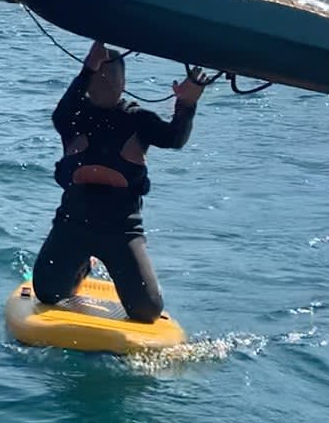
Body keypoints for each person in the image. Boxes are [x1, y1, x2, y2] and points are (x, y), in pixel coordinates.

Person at [31, 41, 211, 322]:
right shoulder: (73, 118)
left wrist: (186, 104)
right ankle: (81, 265)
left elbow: (174, 139)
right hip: (73, 224)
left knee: (147, 311)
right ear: (87, 81)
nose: (104, 82)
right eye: (97, 76)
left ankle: (95, 262)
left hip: (122, 231)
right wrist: (88, 67)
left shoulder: (138, 119)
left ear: (124, 82)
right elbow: (60, 113)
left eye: (111, 77)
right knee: (47, 293)